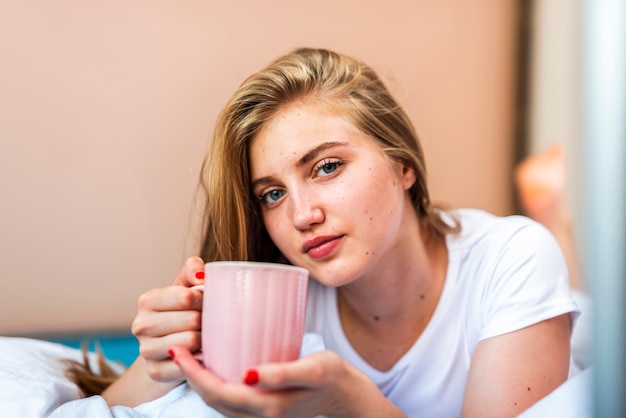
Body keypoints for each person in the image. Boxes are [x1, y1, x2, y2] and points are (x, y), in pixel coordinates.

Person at [68, 47, 580, 417]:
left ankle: (553, 213)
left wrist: (350, 402)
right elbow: (106, 411)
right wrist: (160, 357)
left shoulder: (510, 256)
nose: (301, 215)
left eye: (327, 167)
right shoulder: (278, 298)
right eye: (272, 194)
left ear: (404, 166)